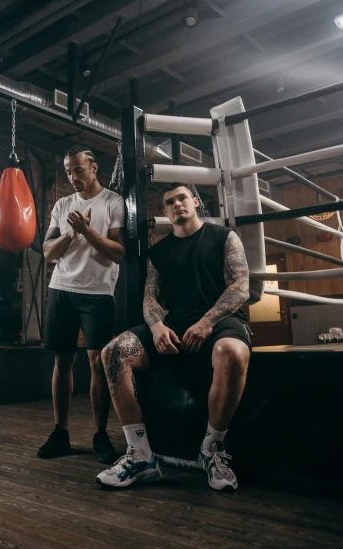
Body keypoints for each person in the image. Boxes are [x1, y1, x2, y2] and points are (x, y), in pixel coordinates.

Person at [97, 183, 252, 491]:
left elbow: (241, 287)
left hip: (222, 322)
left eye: (183, 198)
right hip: (175, 325)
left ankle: (212, 451)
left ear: (195, 202)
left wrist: (207, 322)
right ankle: (141, 456)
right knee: (113, 352)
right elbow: (150, 298)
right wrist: (156, 327)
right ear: (165, 211)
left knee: (232, 352)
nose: (177, 204)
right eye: (170, 202)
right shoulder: (159, 252)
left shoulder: (224, 237)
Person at [38, 145, 125, 463]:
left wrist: (88, 230)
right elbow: (48, 252)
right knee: (62, 362)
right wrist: (71, 234)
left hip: (98, 293)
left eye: (77, 169)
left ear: (94, 168)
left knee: (97, 364)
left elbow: (119, 252)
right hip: (61, 289)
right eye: (68, 171)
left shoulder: (112, 202)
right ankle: (60, 433)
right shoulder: (62, 205)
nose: (73, 176)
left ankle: (101, 435)